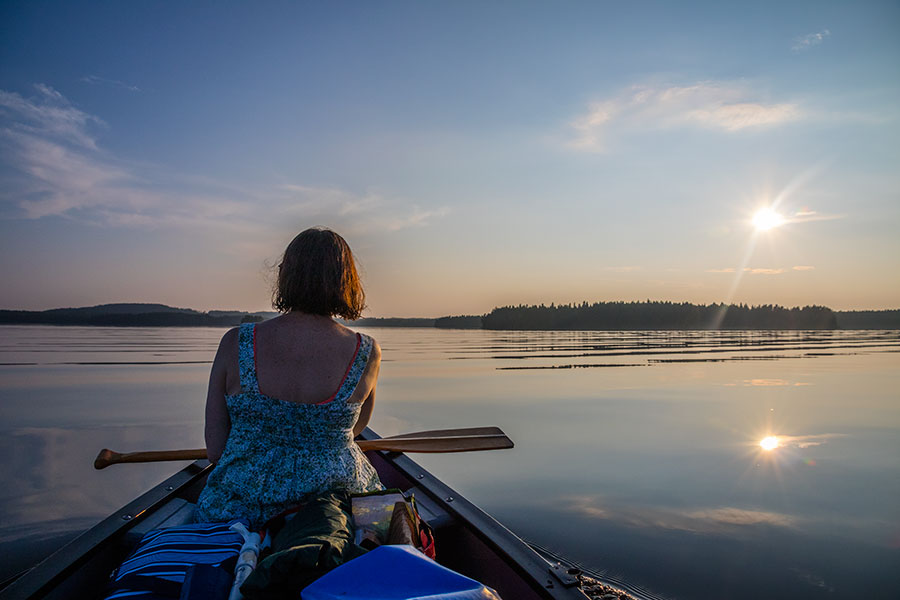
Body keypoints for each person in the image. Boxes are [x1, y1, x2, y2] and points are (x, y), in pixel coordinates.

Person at [195, 228, 383, 528]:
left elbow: (217, 451)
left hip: (240, 513)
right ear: (346, 280)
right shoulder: (367, 351)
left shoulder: (236, 342)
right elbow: (355, 428)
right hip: (334, 515)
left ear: (286, 276)